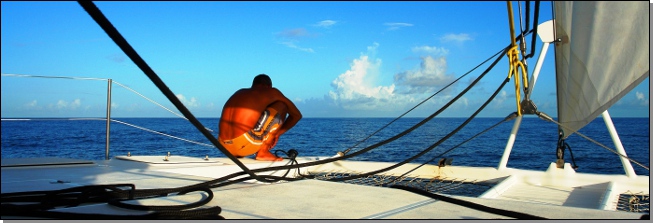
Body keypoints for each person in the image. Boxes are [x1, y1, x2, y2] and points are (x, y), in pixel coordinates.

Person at [218, 74, 302, 161]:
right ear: (269, 86)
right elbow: (296, 115)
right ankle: (263, 152)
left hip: (223, 147)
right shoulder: (272, 92)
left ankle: (242, 149)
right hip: (243, 144)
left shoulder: (240, 92)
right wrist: (277, 133)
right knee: (282, 105)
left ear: (253, 84)